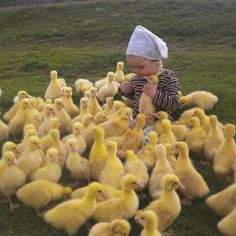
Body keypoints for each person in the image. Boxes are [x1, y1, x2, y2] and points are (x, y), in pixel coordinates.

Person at [117, 25, 180, 123]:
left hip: (159, 122)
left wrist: (154, 95)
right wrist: (124, 89)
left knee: (148, 138)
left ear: (157, 62)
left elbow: (174, 104)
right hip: (137, 121)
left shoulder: (167, 77)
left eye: (141, 67)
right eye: (133, 67)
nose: (136, 71)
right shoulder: (137, 78)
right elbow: (134, 97)